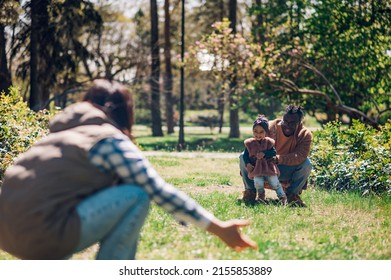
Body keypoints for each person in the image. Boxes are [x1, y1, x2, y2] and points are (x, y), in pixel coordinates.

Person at [0, 79, 257, 260]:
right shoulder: (106, 138)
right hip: (43, 234)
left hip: (8, 234)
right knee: (136, 194)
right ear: (124, 112)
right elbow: (156, 189)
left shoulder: (56, 136)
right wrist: (218, 227)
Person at [239, 105, 312, 207]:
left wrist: (278, 159)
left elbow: (300, 156)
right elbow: (255, 146)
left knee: (307, 164)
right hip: (263, 166)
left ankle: (292, 195)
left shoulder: (304, 134)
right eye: (285, 121)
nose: (287, 125)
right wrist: (250, 163)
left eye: (292, 123)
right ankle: (250, 192)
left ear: (299, 123)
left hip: (285, 169)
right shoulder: (269, 127)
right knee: (242, 157)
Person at [244, 115, 287, 205]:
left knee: (274, 182)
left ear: (266, 132)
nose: (258, 134)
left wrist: (265, 153)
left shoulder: (269, 142)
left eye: (261, 132)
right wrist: (247, 163)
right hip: (256, 168)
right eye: (255, 132)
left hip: (269, 167)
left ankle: (282, 196)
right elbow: (245, 155)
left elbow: (273, 152)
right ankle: (261, 196)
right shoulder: (250, 143)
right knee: (258, 183)